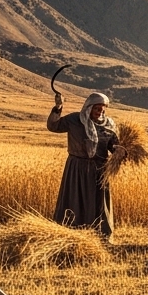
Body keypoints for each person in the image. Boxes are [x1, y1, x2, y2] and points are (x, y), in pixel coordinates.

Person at [47, 91, 118, 238]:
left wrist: (121, 151)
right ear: (88, 107)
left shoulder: (108, 124)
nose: (100, 112)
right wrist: (58, 107)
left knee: (98, 202)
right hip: (77, 169)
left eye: (103, 109)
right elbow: (53, 126)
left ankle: (100, 234)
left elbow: (113, 146)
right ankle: (70, 233)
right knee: (74, 199)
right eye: (97, 108)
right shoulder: (74, 120)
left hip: (99, 170)